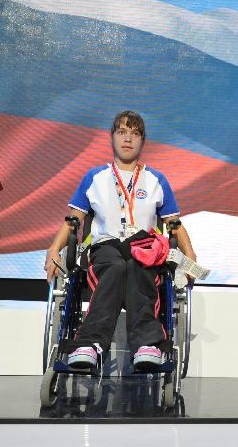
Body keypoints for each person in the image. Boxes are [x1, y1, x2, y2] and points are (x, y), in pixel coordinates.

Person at [44, 110, 197, 372]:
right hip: (106, 248)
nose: (128, 138)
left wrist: (190, 257)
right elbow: (73, 220)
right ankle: (89, 345)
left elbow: (174, 225)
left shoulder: (156, 180)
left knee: (137, 267)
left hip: (143, 249)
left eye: (135, 133)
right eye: (122, 132)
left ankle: (147, 345)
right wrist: (53, 250)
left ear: (143, 141)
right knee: (115, 267)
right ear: (112, 137)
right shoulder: (95, 177)